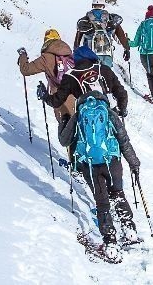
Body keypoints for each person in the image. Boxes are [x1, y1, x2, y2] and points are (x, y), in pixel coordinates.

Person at [52, 89, 139, 260]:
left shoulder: (77, 116)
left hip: (90, 166)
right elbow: (124, 140)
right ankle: (130, 232)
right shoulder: (109, 113)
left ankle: (110, 244)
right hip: (112, 162)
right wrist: (134, 163)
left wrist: (63, 121)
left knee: (102, 202)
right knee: (117, 194)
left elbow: (64, 141)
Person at [17, 29, 76, 119]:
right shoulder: (69, 54)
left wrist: (23, 55)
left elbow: (26, 70)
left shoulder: (46, 58)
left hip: (59, 97)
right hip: (75, 94)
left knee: (65, 126)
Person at [74, 0, 130, 67]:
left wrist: (75, 50)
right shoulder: (111, 20)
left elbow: (78, 39)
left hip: (89, 54)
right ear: (103, 6)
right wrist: (126, 49)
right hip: (106, 53)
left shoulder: (84, 21)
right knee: (106, 74)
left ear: (92, 5)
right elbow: (120, 36)